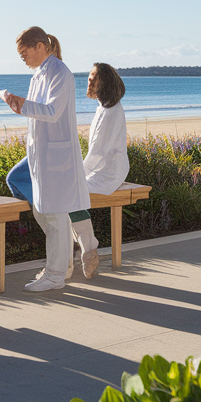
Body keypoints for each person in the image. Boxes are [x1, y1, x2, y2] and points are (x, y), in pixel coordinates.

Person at [1, 27, 91, 292]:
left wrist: (22, 105)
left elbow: (51, 111)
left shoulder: (60, 73)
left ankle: (56, 275)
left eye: (24, 53)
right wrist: (20, 105)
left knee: (54, 215)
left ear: (40, 46)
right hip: (41, 154)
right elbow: (39, 113)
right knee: (46, 213)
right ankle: (58, 268)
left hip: (56, 157)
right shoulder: (38, 75)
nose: (24, 58)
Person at [77, 62, 129, 277]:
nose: (88, 81)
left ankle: (88, 249)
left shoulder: (111, 113)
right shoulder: (104, 106)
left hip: (109, 173)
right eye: (89, 77)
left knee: (70, 194)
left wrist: (76, 175)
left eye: (93, 78)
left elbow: (98, 155)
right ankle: (86, 248)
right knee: (66, 195)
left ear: (104, 82)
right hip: (101, 168)